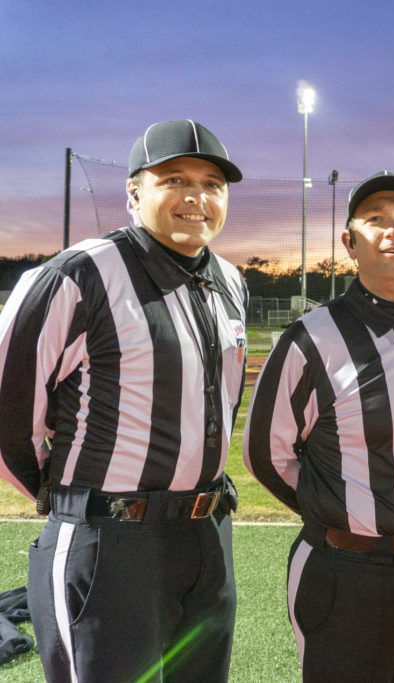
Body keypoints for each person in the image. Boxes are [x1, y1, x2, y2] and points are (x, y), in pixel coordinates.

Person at [0, 119, 246, 681]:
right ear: (133, 192)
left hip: (206, 535)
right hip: (109, 537)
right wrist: (60, 494)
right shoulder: (78, 274)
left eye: (212, 183)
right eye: (175, 179)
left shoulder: (230, 280)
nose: (197, 197)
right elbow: (5, 406)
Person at [243, 171, 394, 681]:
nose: (393, 230)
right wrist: (346, 515)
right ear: (350, 243)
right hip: (351, 573)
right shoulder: (311, 340)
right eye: (375, 220)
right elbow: (266, 455)